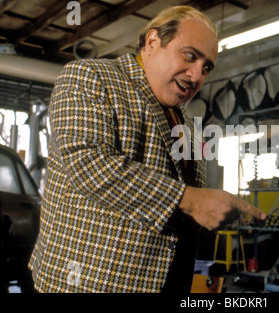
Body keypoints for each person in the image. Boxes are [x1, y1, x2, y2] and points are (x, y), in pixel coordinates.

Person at [28, 5, 265, 293]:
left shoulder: (187, 121)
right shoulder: (91, 76)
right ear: (153, 42)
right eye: (190, 56)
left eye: (206, 67)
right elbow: (87, 161)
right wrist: (191, 200)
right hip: (89, 283)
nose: (196, 75)